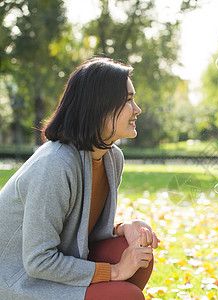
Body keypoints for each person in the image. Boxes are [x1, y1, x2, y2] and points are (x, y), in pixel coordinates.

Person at [0, 57, 159, 300]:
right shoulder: (54, 164)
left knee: (135, 253)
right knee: (126, 295)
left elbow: (81, 232)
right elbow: (38, 261)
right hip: (19, 280)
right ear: (99, 106)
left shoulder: (111, 157)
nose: (137, 109)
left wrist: (123, 228)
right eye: (128, 100)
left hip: (60, 264)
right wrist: (115, 272)